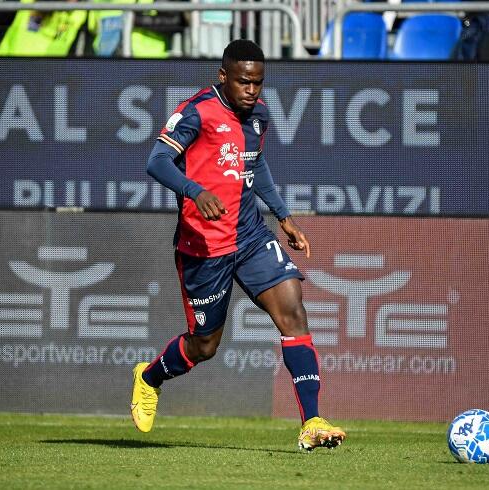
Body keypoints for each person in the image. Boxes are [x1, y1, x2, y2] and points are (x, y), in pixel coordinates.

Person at [131, 39, 346, 451]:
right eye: (245, 81)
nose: (252, 90)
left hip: (250, 235)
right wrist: (195, 191)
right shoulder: (197, 112)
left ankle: (312, 421)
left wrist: (283, 216)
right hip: (204, 246)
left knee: (293, 312)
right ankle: (150, 377)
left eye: (258, 83)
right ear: (223, 76)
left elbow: (255, 163)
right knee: (204, 345)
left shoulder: (259, 116)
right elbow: (156, 160)